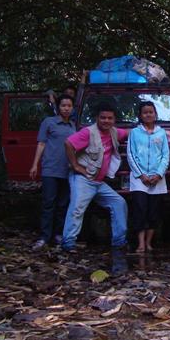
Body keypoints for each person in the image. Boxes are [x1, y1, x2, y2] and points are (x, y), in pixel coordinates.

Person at [61, 102, 129, 252]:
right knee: (77, 207)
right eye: (103, 118)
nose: (106, 121)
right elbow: (68, 143)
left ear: (114, 120)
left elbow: (131, 132)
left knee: (119, 203)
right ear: (97, 118)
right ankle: (68, 243)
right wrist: (75, 166)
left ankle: (119, 242)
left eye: (110, 118)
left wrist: (158, 131)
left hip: (98, 182)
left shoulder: (114, 132)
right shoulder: (88, 132)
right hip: (83, 179)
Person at [29, 94, 76, 250]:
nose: (66, 108)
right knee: (48, 203)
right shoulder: (49, 122)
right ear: (58, 107)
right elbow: (41, 144)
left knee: (63, 204)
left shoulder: (73, 126)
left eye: (69, 106)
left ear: (73, 108)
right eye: (63, 105)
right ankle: (44, 237)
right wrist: (35, 165)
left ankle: (58, 235)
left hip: (67, 170)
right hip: (50, 168)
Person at [127, 101, 170, 253]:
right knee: (140, 209)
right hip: (139, 179)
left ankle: (148, 243)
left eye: (151, 112)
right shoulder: (134, 133)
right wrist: (141, 175)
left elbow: (165, 155)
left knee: (154, 212)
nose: (148, 115)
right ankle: (140, 244)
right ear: (140, 115)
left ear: (155, 114)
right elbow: (130, 154)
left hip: (157, 179)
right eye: (145, 112)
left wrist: (158, 174)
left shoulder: (161, 133)